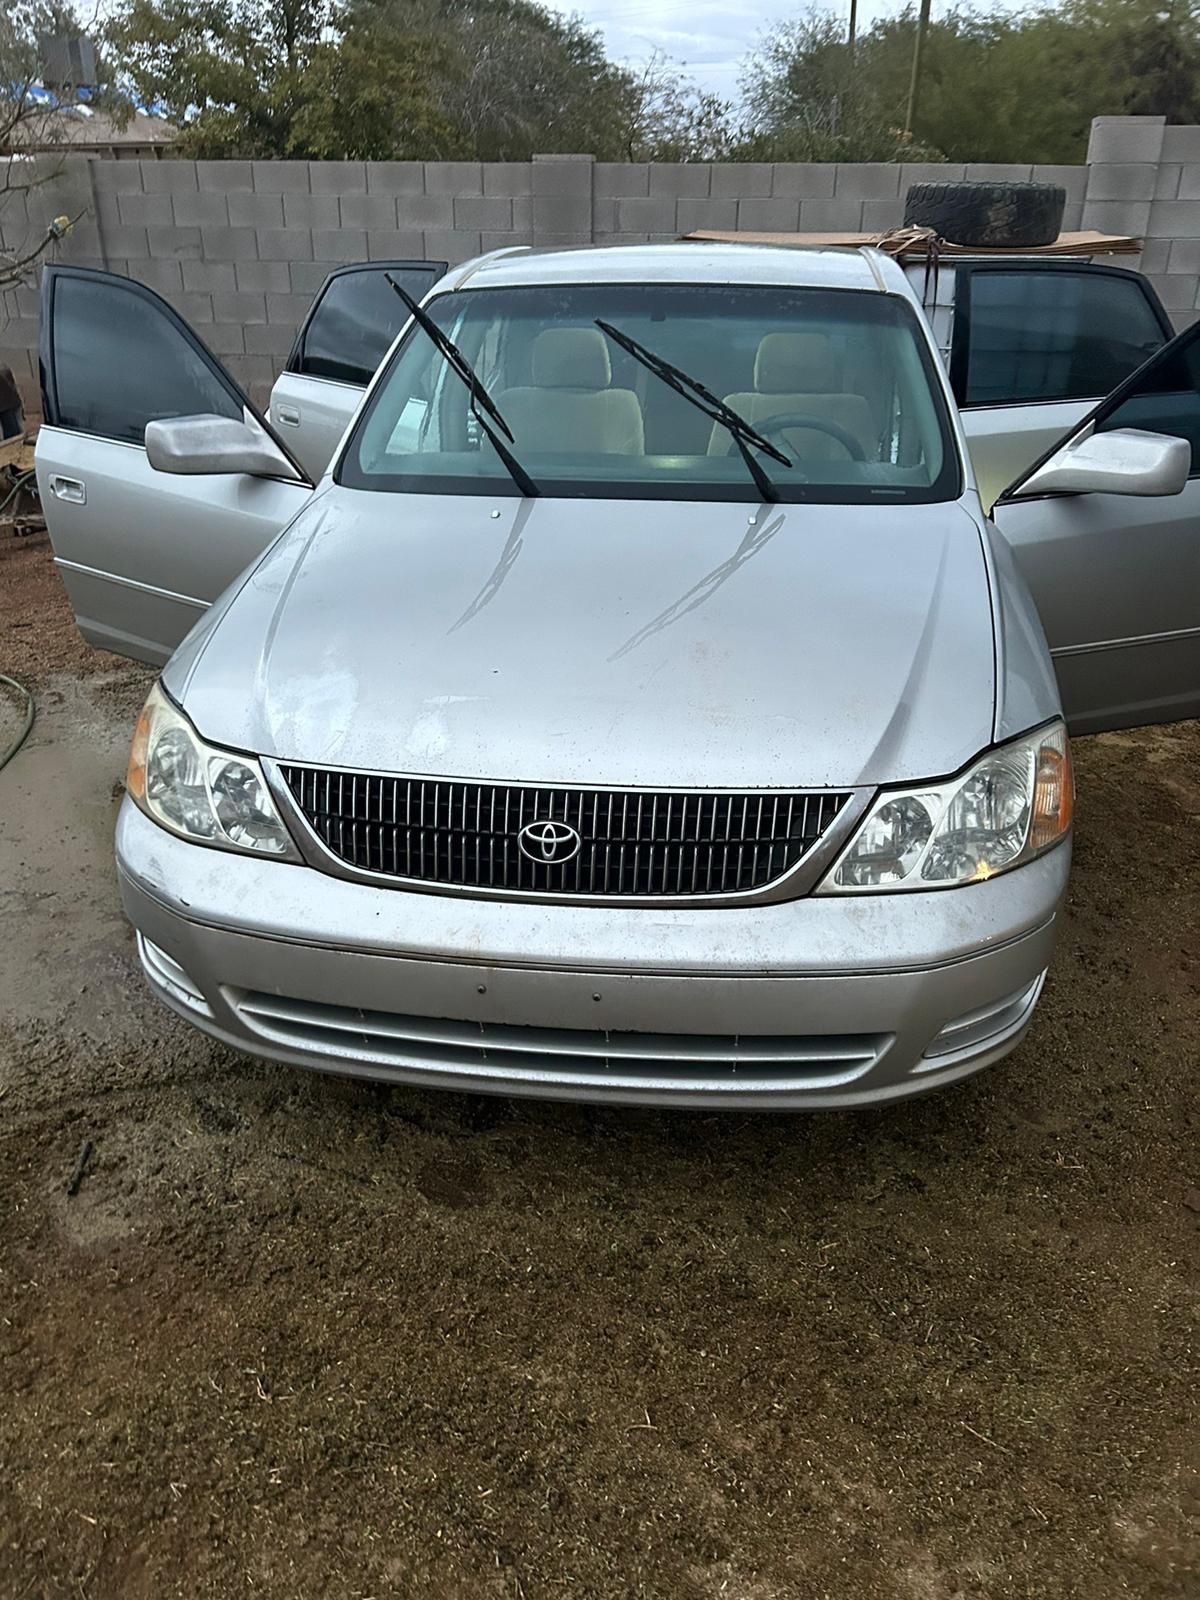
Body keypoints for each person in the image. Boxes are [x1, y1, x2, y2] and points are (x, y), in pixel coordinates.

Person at [0, 362, 24, 440]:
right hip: (11, 405)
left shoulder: (4, 370)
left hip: (8, 406)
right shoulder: (4, 369)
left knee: (13, 436)